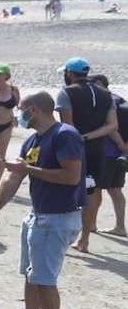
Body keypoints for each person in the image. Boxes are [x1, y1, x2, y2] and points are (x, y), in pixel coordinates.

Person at [0, 92, 85, 309]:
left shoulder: (65, 134)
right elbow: (13, 178)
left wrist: (28, 170)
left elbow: (72, 176)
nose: (18, 116)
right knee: (31, 274)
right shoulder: (32, 141)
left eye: (21, 110)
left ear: (34, 110)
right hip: (38, 216)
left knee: (44, 278)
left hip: (57, 217)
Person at [54, 58, 119, 253]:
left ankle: (62, 235)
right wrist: (88, 137)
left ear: (70, 73)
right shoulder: (106, 95)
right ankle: (84, 239)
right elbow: (112, 126)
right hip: (96, 150)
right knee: (91, 190)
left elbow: (68, 124)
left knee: (63, 188)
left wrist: (78, 138)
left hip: (70, 149)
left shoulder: (66, 92)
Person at [87, 74, 127, 237]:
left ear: (99, 84)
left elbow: (108, 125)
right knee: (115, 189)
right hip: (120, 154)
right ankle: (120, 226)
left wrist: (120, 144)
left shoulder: (104, 100)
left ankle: (91, 224)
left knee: (96, 188)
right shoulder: (119, 99)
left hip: (108, 151)